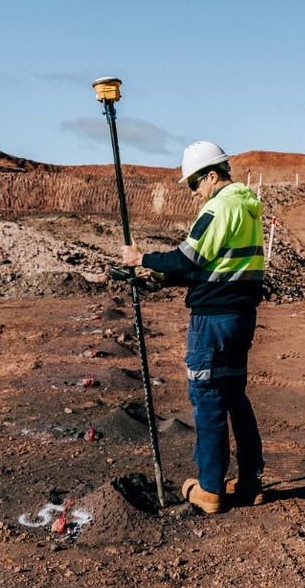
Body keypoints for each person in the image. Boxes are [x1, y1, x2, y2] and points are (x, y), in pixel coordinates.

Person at [121, 141, 266, 514]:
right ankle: (249, 482)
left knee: (208, 397)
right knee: (234, 396)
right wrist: (161, 279)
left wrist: (142, 258)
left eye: (194, 183)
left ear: (212, 176)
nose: (193, 192)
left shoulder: (219, 207)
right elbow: (215, 268)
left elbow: (189, 256)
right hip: (240, 317)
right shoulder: (247, 208)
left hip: (214, 321)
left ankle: (210, 488)